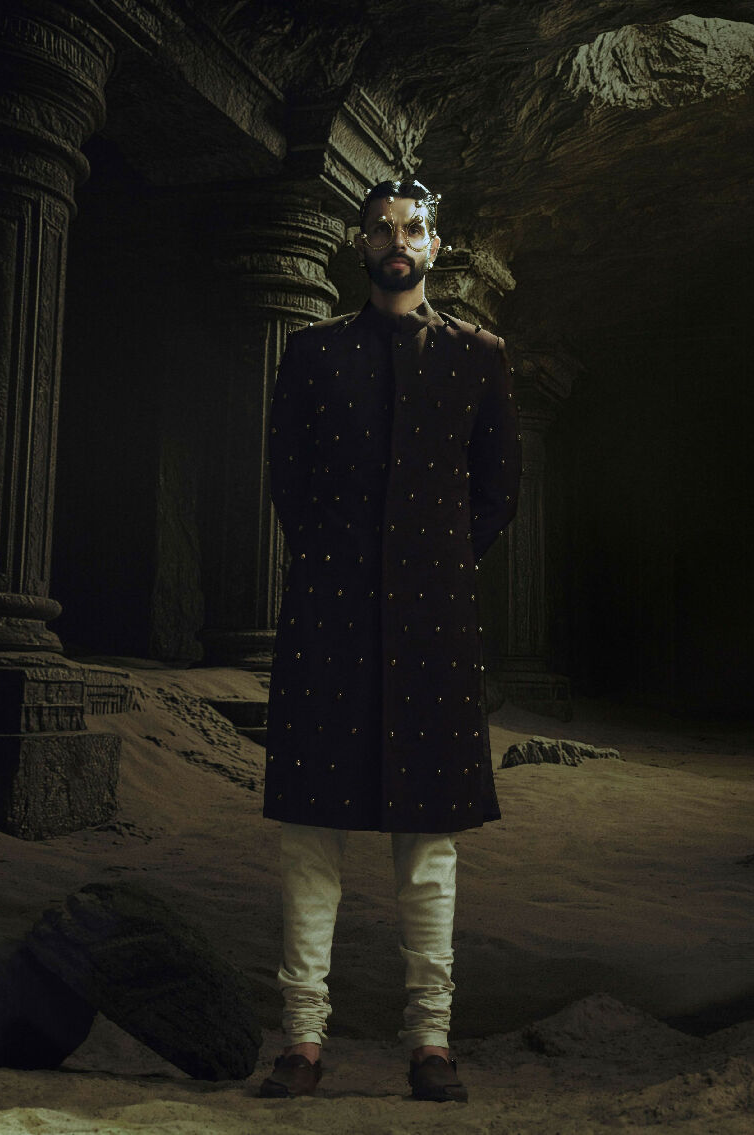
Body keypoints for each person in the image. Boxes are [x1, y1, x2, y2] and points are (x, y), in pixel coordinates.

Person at [257, 177, 522, 1102]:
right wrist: (340, 563)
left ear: (436, 245)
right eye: (380, 228)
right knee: (310, 833)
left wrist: (435, 562)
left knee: (429, 840)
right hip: (328, 615)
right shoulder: (313, 352)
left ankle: (431, 1041)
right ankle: (300, 1039)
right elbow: (287, 477)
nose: (396, 241)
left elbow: (496, 491)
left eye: (412, 228)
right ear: (356, 242)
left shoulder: (478, 355)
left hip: (433, 621)